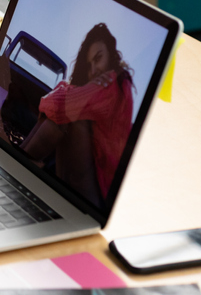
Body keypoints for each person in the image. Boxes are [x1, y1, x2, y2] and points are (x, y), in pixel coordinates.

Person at [20, 23, 134, 206]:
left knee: (69, 117)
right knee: (69, 112)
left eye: (98, 58)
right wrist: (65, 94)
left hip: (98, 193)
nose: (94, 70)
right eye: (89, 64)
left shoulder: (112, 83)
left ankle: (20, 165)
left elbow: (52, 105)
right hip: (93, 177)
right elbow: (51, 103)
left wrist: (63, 95)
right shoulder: (107, 84)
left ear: (111, 55)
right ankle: (20, 160)